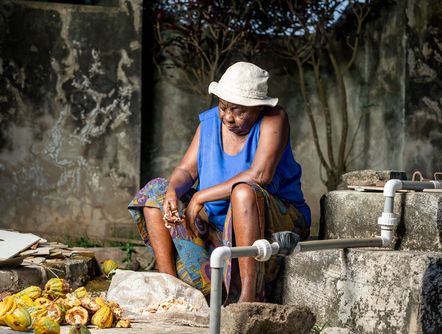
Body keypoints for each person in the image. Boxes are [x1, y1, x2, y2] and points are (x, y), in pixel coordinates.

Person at [128, 61, 310, 304]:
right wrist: (173, 191)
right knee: (156, 191)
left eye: (238, 110)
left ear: (258, 108)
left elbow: (260, 175)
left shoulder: (275, 118)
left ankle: (248, 299)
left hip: (271, 220)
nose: (228, 117)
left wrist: (200, 197)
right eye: (223, 107)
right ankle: (170, 290)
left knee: (244, 192)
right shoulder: (211, 121)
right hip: (217, 225)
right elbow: (185, 169)